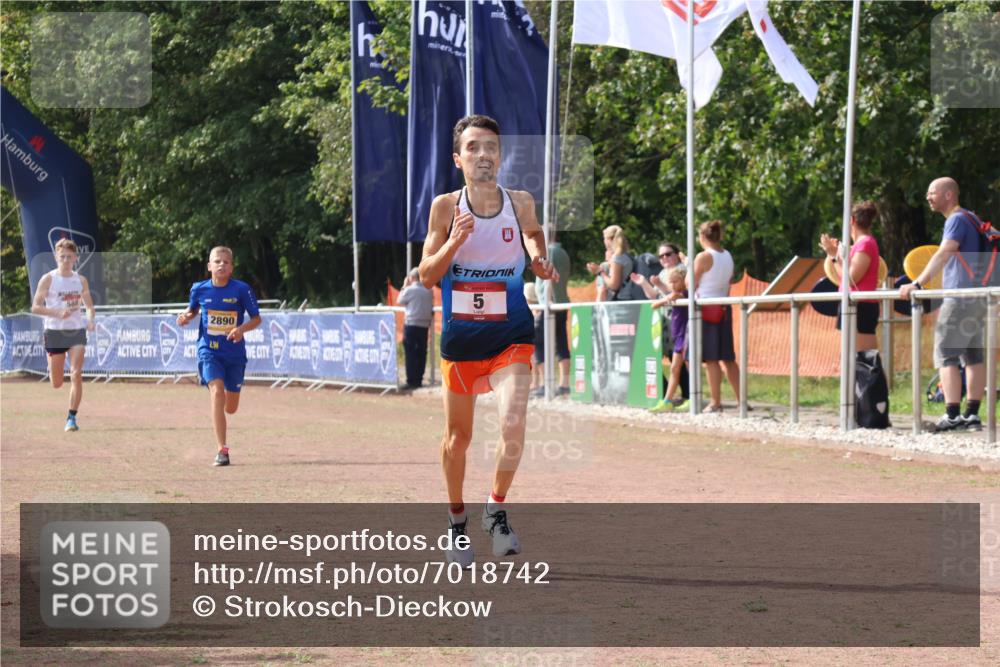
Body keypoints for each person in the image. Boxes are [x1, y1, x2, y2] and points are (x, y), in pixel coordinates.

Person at [418, 115, 558, 565]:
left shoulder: (520, 202)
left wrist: (538, 258)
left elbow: (534, 234)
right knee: (457, 439)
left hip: (511, 335)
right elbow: (426, 276)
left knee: (514, 422)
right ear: (458, 158)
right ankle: (457, 521)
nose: (484, 154)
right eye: (474, 147)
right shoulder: (445, 207)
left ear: (501, 155)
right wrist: (453, 243)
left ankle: (495, 509)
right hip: (461, 342)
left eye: (491, 147)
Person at [899, 177, 987, 432]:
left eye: (932, 192)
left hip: (959, 297)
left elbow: (945, 251)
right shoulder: (974, 219)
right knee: (973, 356)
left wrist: (918, 283)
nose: (928, 197)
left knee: (946, 353)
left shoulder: (956, 220)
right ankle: (972, 414)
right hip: (979, 297)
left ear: (949, 195)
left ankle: (951, 415)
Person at [176, 246, 262, 466]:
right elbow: (193, 310)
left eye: (226, 262)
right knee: (216, 392)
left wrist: (240, 330)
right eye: (217, 261)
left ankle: (225, 408)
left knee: (230, 407)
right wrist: (185, 317)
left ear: (231, 267)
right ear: (209, 266)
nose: (221, 265)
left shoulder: (242, 290)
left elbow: (256, 319)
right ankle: (222, 450)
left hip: (234, 355)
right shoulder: (199, 289)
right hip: (209, 351)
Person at [31, 238, 96, 432]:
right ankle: (50, 362)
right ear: (56, 257)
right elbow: (35, 307)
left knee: (76, 373)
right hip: (54, 332)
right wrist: (57, 313)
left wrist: (91, 320)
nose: (66, 260)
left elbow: (90, 307)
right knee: (57, 383)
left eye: (69, 256)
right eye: (62, 256)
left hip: (76, 331)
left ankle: (71, 418)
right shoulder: (48, 279)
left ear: (75, 258)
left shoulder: (80, 280)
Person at [692, 220, 742, 413]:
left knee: (711, 358)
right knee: (728, 357)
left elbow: (691, 283)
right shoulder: (727, 255)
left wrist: (689, 265)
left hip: (707, 307)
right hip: (723, 306)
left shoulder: (703, 257)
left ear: (702, 237)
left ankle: (716, 401)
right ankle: (741, 399)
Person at [819, 201, 881, 352]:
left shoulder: (865, 243)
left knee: (865, 361)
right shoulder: (863, 243)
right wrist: (837, 255)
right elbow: (849, 274)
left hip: (861, 306)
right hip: (854, 304)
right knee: (854, 361)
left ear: (852, 220)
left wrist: (833, 256)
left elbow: (852, 278)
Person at [533, 227, 572, 397]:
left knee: (538, 343)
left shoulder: (548, 252)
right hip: (561, 303)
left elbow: (546, 279)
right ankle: (564, 383)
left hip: (549, 304)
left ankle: (544, 383)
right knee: (561, 342)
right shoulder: (563, 252)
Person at [650, 267, 690, 411]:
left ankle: (693, 398)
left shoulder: (682, 295)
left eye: (675, 281)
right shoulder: (674, 294)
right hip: (678, 336)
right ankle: (667, 400)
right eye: (670, 282)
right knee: (674, 368)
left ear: (684, 281)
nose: (672, 285)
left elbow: (655, 305)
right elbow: (654, 305)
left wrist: (666, 298)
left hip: (686, 335)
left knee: (689, 367)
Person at [398, 268, 433, 389]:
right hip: (424, 325)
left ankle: (411, 380)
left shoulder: (410, 289)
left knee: (410, 353)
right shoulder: (429, 290)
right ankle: (419, 379)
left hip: (411, 324)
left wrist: (404, 285)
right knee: (421, 352)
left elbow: (399, 300)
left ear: (411, 278)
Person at [586, 225, 631, 301]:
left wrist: (600, 271)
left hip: (618, 301)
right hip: (627, 298)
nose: (604, 242)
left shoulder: (617, 258)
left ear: (610, 239)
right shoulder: (626, 255)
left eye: (604, 239)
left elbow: (614, 285)